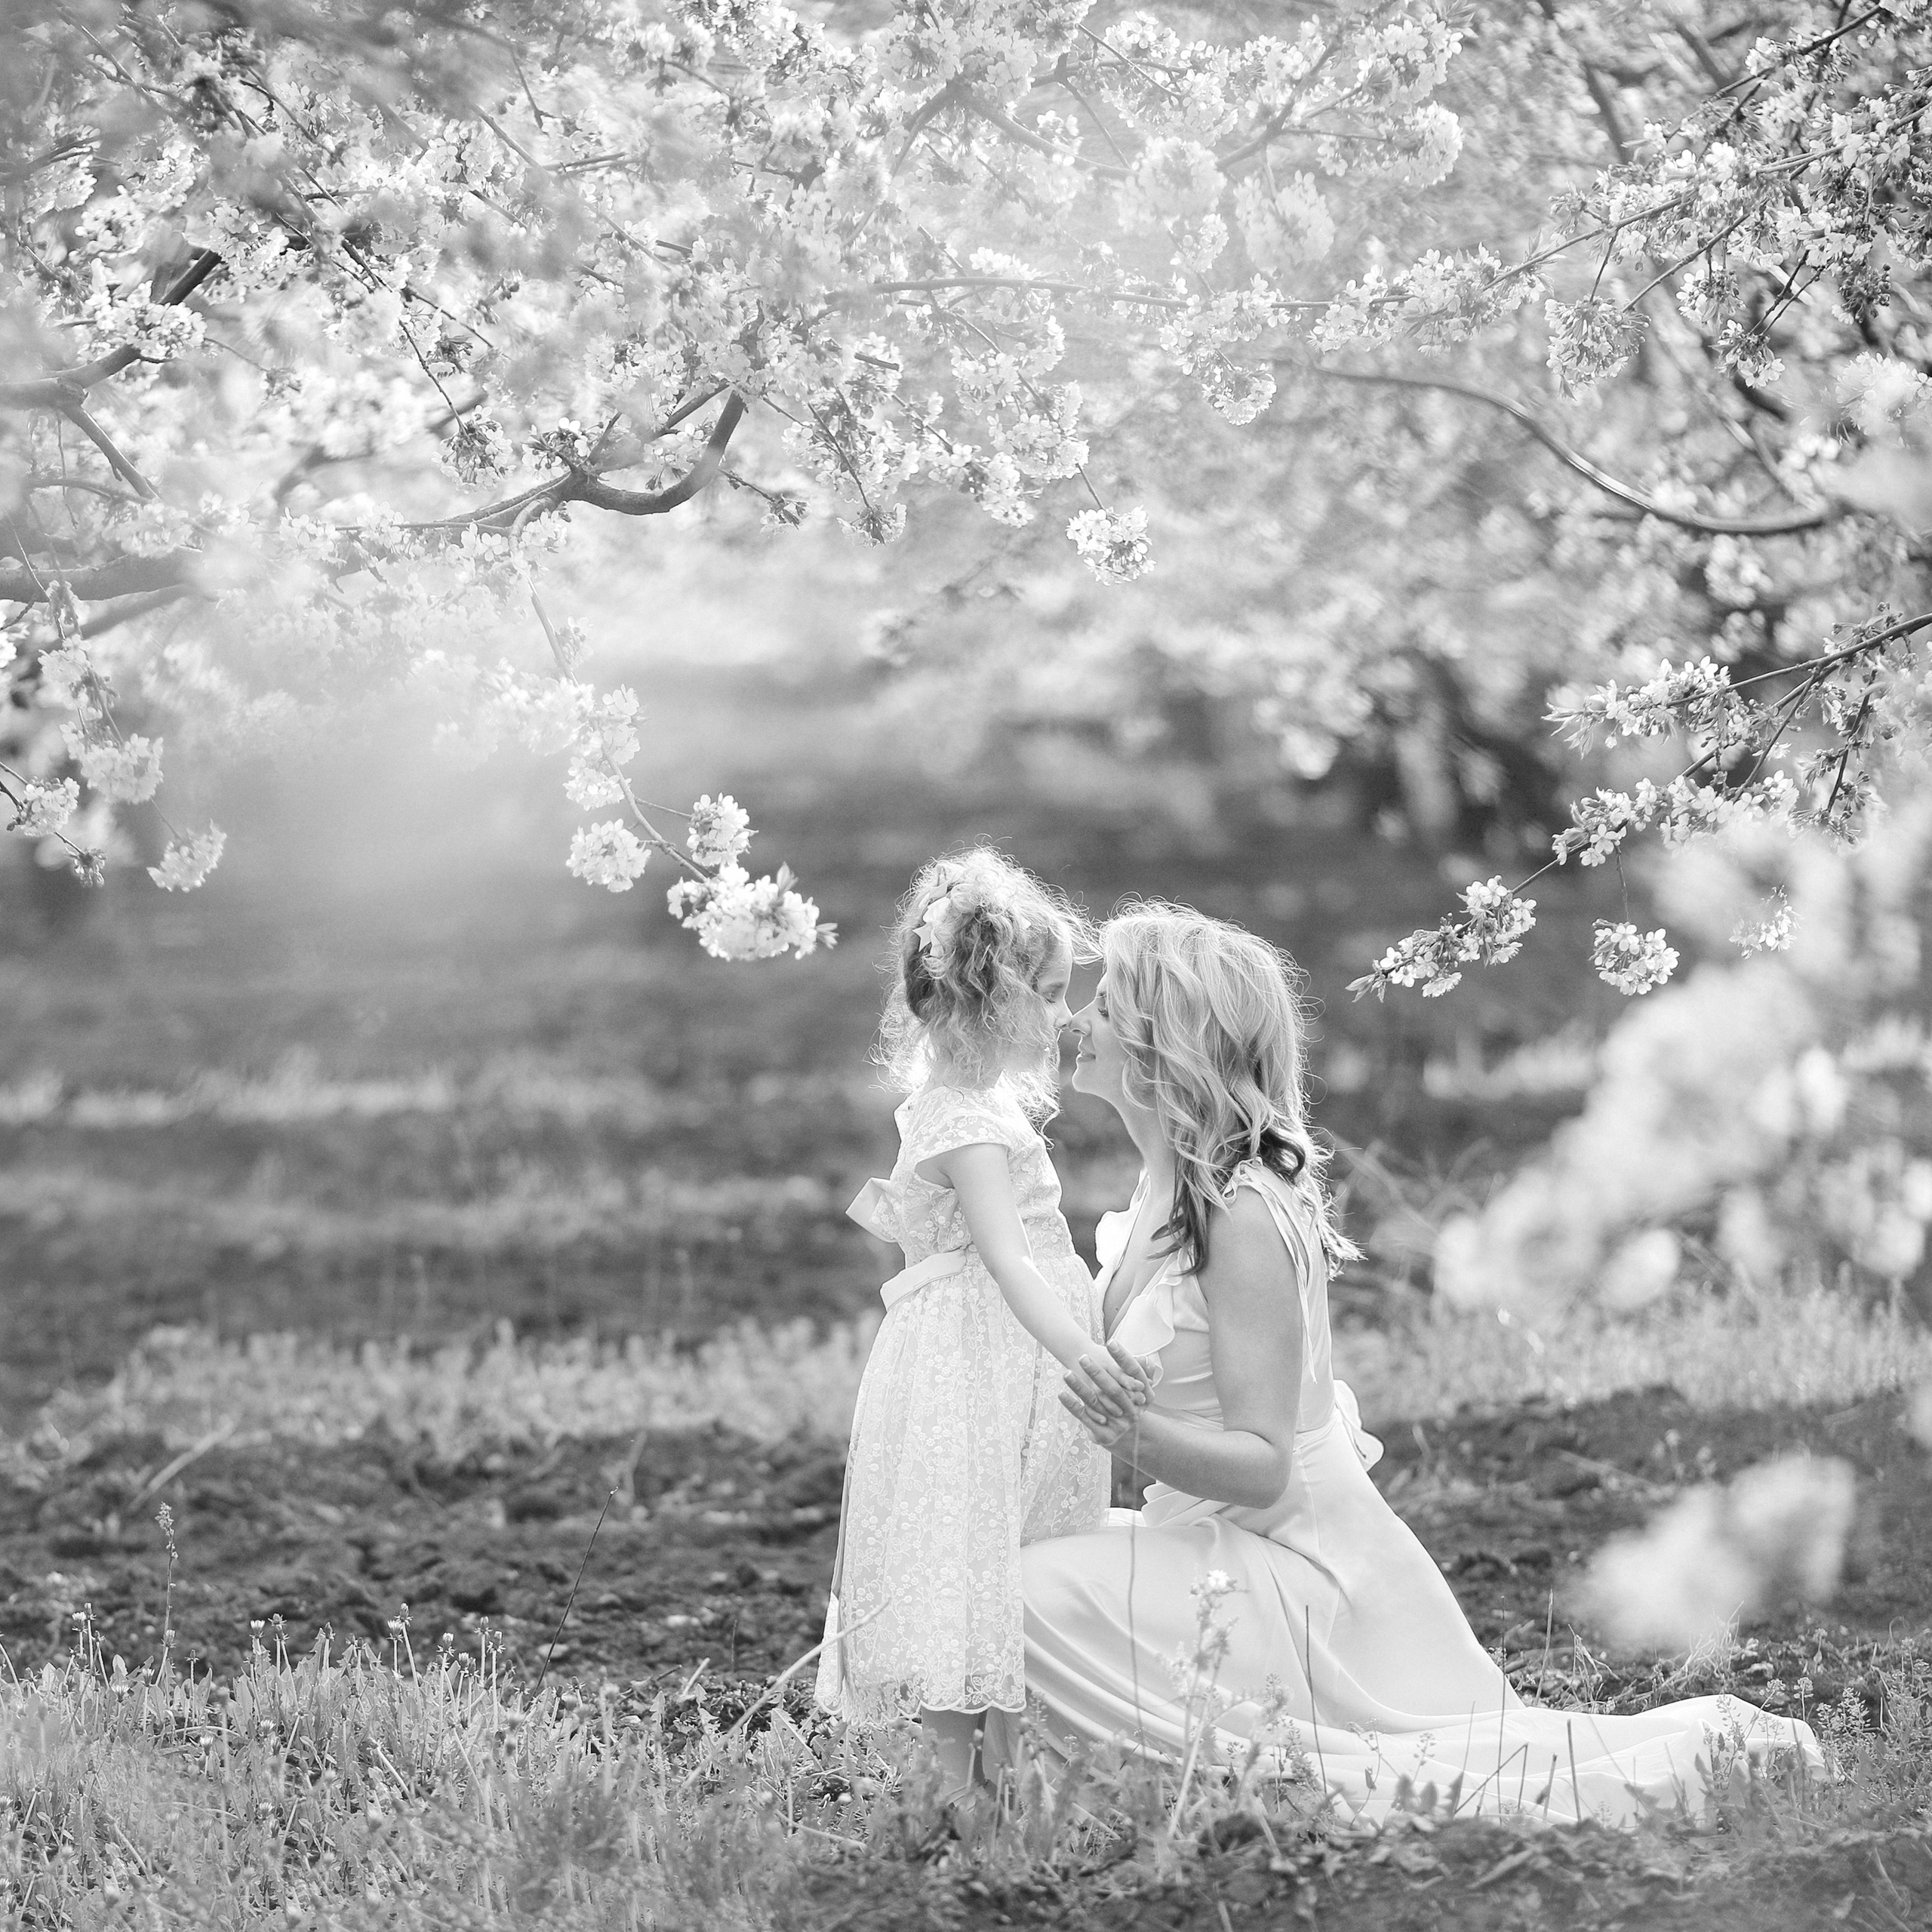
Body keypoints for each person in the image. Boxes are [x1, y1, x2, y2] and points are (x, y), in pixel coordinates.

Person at [1020, 902, 1823, 1824]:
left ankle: (1150, 1799)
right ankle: (1077, 1803)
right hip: (1220, 1548)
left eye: (1107, 1003)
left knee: (1026, 1595)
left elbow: (1262, 1460)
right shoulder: (1160, 1188)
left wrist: (1132, 1431)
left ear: (1170, 1039)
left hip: (1305, 1572)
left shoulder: (1239, 1210)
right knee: (1009, 1565)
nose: (1078, 1020)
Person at [816, 850, 1146, 1806]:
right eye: (1046, 994)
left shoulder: (981, 1104)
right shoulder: (962, 1121)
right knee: (969, 1555)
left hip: (1009, 1358)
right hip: (983, 1356)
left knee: (1011, 1552)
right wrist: (1083, 1351)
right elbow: (1002, 1257)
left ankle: (1007, 1769)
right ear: (993, 997)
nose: (1061, 1015)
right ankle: (960, 1789)